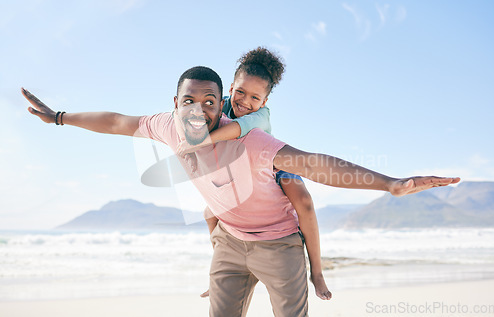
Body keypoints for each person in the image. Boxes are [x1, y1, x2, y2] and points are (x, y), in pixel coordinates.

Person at [22, 66, 460, 317]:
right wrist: (59, 116)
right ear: (175, 103)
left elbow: (313, 163)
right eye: (189, 101)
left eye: (209, 102)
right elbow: (116, 121)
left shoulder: (253, 139)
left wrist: (391, 184)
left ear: (220, 104)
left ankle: (317, 272)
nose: (199, 110)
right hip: (229, 242)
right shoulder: (165, 126)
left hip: (280, 245)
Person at [179, 47, 331, 300]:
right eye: (240, 92)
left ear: (265, 102)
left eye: (255, 98)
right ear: (230, 88)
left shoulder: (260, 116)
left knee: (303, 201)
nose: (245, 102)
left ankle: (317, 272)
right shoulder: (219, 105)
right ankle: (219, 273)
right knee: (209, 213)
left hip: (272, 162)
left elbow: (239, 128)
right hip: (237, 169)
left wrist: (201, 142)